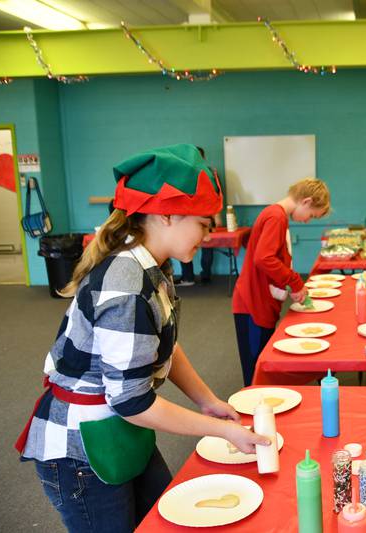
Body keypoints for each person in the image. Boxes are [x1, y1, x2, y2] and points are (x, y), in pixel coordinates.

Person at [15, 144, 270, 532]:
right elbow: (132, 401)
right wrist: (224, 430)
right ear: (167, 214)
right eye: (203, 224)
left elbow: (162, 344)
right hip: (82, 451)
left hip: (118, 430)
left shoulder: (153, 266)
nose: (209, 234)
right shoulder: (127, 281)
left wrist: (209, 402)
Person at [232, 177, 331, 386]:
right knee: (256, 368)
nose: (306, 220)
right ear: (306, 201)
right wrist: (294, 281)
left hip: (259, 299)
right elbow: (264, 258)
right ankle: (252, 410)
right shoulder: (276, 217)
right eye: (311, 215)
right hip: (252, 302)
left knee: (260, 359)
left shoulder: (277, 215)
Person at [176, 147, 218, 286]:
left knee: (191, 244)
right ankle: (204, 275)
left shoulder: (186, 172)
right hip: (201, 214)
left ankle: (189, 277)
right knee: (204, 244)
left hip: (192, 215)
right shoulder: (211, 173)